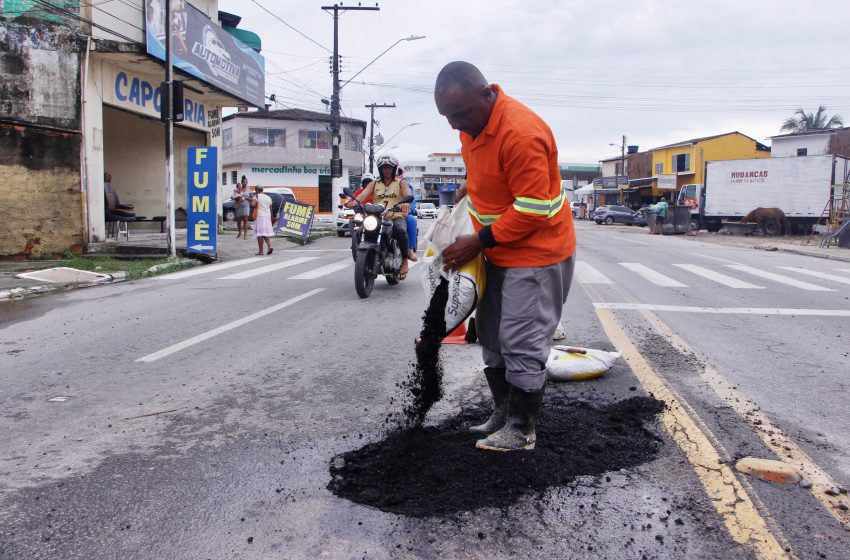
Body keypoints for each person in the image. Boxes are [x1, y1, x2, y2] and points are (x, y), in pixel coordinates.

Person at [435, 61, 575, 452]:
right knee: (492, 333)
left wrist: (476, 241)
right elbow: (489, 171)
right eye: (446, 117)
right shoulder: (472, 125)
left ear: (486, 94)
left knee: (522, 338)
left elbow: (532, 210)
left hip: (535, 250)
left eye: (460, 114)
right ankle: (502, 412)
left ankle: (522, 428)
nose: (454, 125)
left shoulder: (521, 132)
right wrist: (469, 188)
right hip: (496, 247)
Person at [348, 155, 412, 279]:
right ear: (380, 169)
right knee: (360, 230)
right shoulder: (374, 183)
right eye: (384, 168)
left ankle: (404, 260)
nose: (386, 170)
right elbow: (362, 195)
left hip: (395, 216)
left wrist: (405, 203)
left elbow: (407, 196)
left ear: (394, 169)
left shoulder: (401, 183)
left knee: (401, 230)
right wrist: (353, 202)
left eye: (389, 168)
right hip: (378, 217)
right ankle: (365, 258)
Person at [397, 166, 419, 262]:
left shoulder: (406, 185)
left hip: (402, 214)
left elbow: (412, 201)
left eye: (398, 172)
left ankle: (410, 250)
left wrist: (408, 209)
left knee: (412, 220)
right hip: (384, 213)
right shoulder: (380, 184)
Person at [251, 186, 274, 255]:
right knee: (266, 234)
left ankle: (261, 251)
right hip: (267, 216)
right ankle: (270, 247)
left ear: (256, 190)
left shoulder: (256, 196)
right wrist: (271, 218)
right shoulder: (268, 197)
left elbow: (253, 204)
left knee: (260, 234)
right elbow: (270, 209)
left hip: (260, 216)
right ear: (262, 190)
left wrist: (252, 199)